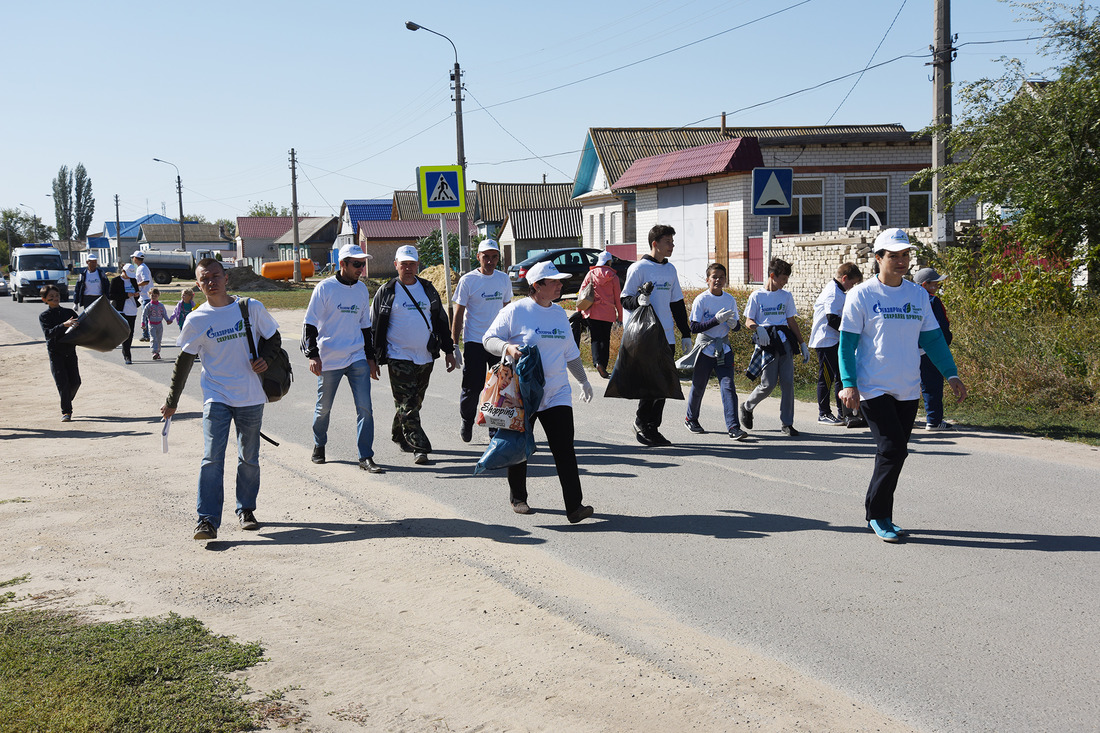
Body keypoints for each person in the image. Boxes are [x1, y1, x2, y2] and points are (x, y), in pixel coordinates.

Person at [838, 228, 967, 543]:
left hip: (908, 387)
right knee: (893, 449)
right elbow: (846, 345)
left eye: (905, 254)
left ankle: (880, 513)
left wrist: (951, 374)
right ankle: (878, 516)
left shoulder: (918, 295)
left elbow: (933, 340)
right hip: (872, 386)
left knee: (893, 452)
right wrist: (849, 384)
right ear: (879, 258)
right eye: (893, 255)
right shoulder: (862, 295)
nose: (901, 261)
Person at [160, 258, 283, 541]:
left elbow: (273, 337)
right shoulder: (196, 319)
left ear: (227, 278)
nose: (211, 282)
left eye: (216, 276)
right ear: (198, 284)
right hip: (216, 395)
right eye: (205, 279)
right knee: (211, 458)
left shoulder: (251, 308)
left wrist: (266, 358)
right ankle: (207, 520)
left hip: (250, 396)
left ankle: (246, 511)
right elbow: (184, 362)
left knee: (248, 458)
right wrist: (172, 400)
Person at [483, 260, 596, 523]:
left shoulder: (559, 313)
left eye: (559, 281)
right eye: (554, 281)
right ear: (537, 285)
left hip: (556, 393)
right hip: (522, 393)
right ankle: (518, 497)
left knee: (564, 447)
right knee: (519, 445)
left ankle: (574, 507)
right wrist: (507, 349)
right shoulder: (516, 311)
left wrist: (583, 381)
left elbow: (571, 354)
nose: (560, 284)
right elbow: (488, 339)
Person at [370, 244, 457, 465]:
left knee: (413, 402)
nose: (407, 268)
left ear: (418, 265)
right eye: (403, 264)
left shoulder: (428, 289)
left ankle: (399, 434)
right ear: (395, 265)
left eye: (411, 264)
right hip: (397, 355)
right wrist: (373, 358)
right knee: (407, 404)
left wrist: (449, 351)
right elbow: (374, 327)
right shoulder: (387, 291)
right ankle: (420, 447)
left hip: (425, 356)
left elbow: (441, 322)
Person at [302, 243, 383, 474]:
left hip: (356, 355)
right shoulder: (325, 288)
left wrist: (370, 359)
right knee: (323, 408)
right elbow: (309, 323)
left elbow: (365, 327)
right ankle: (319, 443)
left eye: (363, 264)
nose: (361, 268)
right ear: (343, 264)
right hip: (329, 358)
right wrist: (313, 355)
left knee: (365, 408)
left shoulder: (360, 289)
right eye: (357, 264)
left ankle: (365, 456)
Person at [620, 224, 692, 446]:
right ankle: (642, 423)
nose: (672, 245)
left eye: (672, 242)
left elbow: (677, 304)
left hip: (666, 336)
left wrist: (685, 334)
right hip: (644, 336)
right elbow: (625, 299)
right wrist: (638, 300)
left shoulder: (670, 270)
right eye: (668, 242)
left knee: (664, 384)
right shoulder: (638, 268)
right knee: (651, 382)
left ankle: (653, 427)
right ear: (655, 244)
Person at [740, 257, 809, 436]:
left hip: (784, 340)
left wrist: (802, 344)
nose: (785, 283)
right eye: (783, 278)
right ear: (772, 276)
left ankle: (787, 423)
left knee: (788, 383)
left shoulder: (786, 296)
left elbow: (791, 321)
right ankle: (747, 406)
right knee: (768, 384)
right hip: (766, 342)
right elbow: (748, 320)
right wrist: (757, 328)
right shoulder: (757, 295)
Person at [451, 239, 511, 442]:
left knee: (499, 387)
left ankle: (495, 430)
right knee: (473, 387)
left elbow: (507, 311)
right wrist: (454, 344)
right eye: (486, 257)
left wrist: (511, 341)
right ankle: (467, 420)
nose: (491, 261)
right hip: (475, 341)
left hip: (498, 342)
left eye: (495, 257)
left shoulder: (503, 279)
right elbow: (458, 314)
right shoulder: (468, 280)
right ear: (478, 257)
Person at [684, 263, 746, 440]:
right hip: (704, 349)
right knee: (698, 386)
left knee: (728, 387)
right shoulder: (701, 300)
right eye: (714, 277)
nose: (718, 280)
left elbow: (737, 324)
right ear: (707, 280)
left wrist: (735, 326)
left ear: (725, 280)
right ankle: (691, 418)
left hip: (723, 350)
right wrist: (715, 320)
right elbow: (694, 327)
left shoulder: (730, 300)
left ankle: (733, 427)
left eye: (721, 277)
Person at [809, 262, 864, 427]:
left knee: (841, 377)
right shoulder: (833, 292)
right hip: (826, 340)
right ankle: (823, 412)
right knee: (826, 378)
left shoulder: (840, 291)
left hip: (835, 341)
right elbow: (832, 319)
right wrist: (849, 331)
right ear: (844, 278)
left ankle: (844, 412)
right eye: (852, 283)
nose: (852, 287)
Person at [914, 267, 954, 431]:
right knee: (932, 384)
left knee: (909, 385)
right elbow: (941, 327)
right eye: (935, 283)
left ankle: (906, 418)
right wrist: (943, 345)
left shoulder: (908, 299)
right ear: (925, 284)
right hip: (929, 349)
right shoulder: (932, 301)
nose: (937, 286)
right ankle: (934, 420)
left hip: (909, 349)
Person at [578, 250, 623, 379]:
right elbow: (618, 298)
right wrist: (620, 316)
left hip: (592, 312)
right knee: (605, 339)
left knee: (595, 339)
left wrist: (579, 310)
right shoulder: (613, 277)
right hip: (607, 313)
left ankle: (597, 363)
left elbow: (582, 292)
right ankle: (603, 364)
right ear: (609, 262)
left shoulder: (591, 274)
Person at [38, 284, 80, 421]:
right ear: (44, 300)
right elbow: (48, 334)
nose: (55, 298)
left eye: (57, 296)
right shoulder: (44, 316)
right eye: (51, 297)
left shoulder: (69, 313)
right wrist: (64, 325)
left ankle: (66, 397)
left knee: (75, 382)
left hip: (70, 351)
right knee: (63, 384)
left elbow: (82, 326)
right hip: (56, 353)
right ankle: (66, 412)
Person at [109, 264, 141, 365]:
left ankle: (127, 352)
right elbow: (111, 295)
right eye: (128, 274)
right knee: (123, 331)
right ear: (123, 271)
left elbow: (136, 292)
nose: (129, 276)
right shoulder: (116, 281)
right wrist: (126, 295)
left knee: (130, 333)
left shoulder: (133, 280)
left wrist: (136, 295)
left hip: (132, 310)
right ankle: (126, 353)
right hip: (120, 310)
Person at [142, 288, 172, 361]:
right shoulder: (148, 305)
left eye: (155, 295)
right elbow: (144, 314)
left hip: (159, 324)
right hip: (152, 325)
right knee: (153, 338)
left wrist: (167, 320)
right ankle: (154, 352)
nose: (154, 297)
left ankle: (158, 352)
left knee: (158, 339)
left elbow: (164, 313)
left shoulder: (161, 305)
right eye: (152, 295)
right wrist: (143, 323)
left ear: (158, 296)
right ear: (149, 295)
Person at [131, 251, 153, 341]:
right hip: (145, 296)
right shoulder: (142, 267)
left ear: (135, 258)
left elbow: (146, 281)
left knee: (145, 317)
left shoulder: (142, 268)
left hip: (146, 297)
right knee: (147, 317)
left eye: (133, 258)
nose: (132, 259)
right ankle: (147, 335)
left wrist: (136, 286)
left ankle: (146, 335)